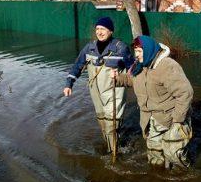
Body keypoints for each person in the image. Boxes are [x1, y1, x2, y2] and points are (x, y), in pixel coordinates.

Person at [112, 35, 193, 169]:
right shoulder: (139, 66)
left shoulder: (167, 66)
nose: (136, 55)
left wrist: (177, 121)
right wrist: (117, 78)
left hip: (172, 118)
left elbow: (185, 93)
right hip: (150, 119)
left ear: (149, 50)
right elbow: (131, 80)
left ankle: (182, 178)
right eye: (135, 51)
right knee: (155, 156)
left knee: (174, 155)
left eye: (139, 51)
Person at [63, 17, 133, 153]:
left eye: (103, 29)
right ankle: (111, 147)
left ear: (111, 31)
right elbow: (77, 66)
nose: (99, 32)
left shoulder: (121, 48)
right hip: (96, 92)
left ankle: (115, 153)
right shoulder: (89, 48)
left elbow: (133, 70)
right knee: (102, 121)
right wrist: (69, 84)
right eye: (97, 29)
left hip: (114, 91)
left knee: (112, 123)